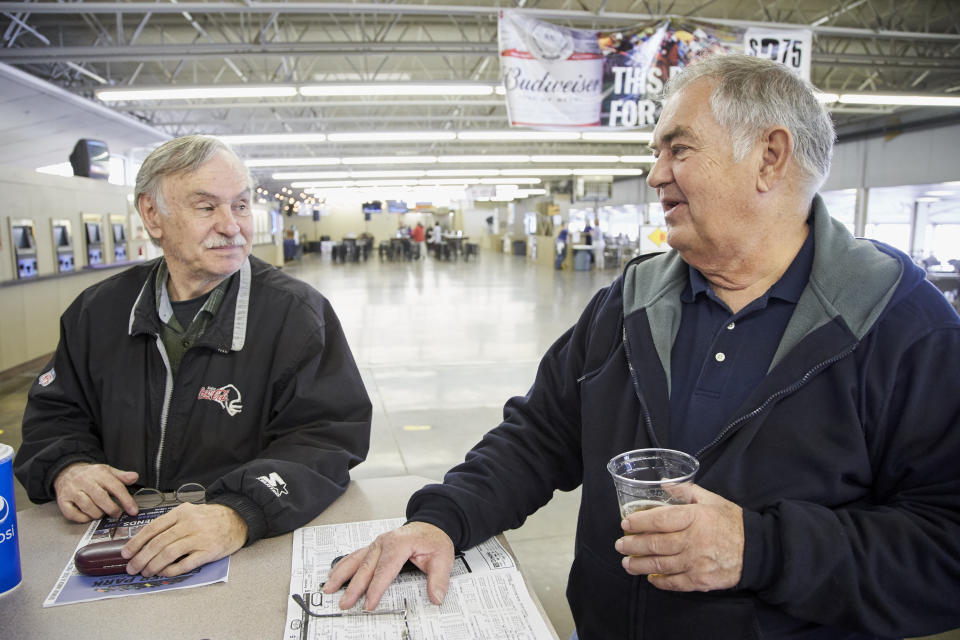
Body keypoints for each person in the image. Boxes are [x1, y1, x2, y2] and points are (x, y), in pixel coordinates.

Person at [321, 54, 960, 639]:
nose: (655, 175)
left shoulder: (901, 326)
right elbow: (539, 437)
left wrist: (760, 549)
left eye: (678, 149)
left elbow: (945, 549)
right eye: (656, 152)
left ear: (770, 157)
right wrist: (444, 518)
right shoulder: (629, 304)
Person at [14, 135, 372, 580]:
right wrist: (69, 467)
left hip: (244, 552)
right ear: (152, 215)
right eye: (207, 208)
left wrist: (239, 512)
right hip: (115, 545)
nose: (232, 226)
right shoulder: (98, 312)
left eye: (240, 206)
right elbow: (54, 413)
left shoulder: (296, 315)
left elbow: (326, 438)